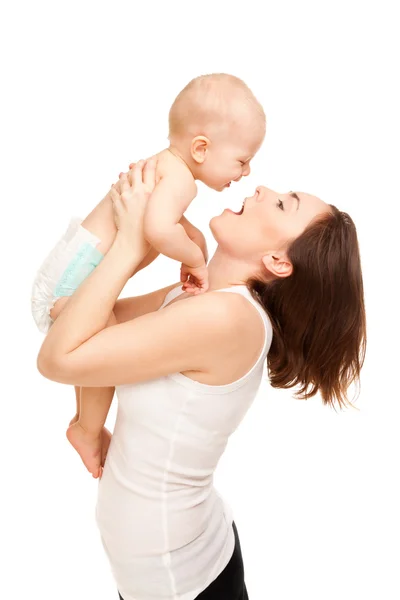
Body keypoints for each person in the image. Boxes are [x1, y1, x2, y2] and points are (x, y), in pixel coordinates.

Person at [37, 161, 366, 600]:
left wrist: (131, 246)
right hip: (160, 573)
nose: (264, 188)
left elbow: (59, 359)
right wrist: (145, 239)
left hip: (183, 583)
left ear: (276, 261)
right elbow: (75, 322)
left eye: (284, 204)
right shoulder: (198, 297)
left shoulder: (229, 318)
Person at [31, 73, 266, 478]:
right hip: (70, 283)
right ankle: (86, 429)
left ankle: (83, 425)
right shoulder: (179, 182)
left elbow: (171, 223)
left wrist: (193, 242)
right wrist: (194, 259)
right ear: (201, 148)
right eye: (242, 160)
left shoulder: (167, 169)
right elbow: (159, 229)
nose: (245, 173)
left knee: (101, 335)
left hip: (68, 270)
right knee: (96, 341)